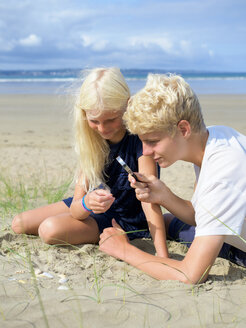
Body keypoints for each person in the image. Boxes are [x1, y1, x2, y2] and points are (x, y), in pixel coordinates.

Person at [99, 73, 246, 284]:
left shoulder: (225, 170)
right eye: (143, 142)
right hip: (235, 231)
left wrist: (124, 250)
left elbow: (190, 275)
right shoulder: (214, 138)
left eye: (153, 141)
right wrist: (164, 196)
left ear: (183, 129)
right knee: (168, 223)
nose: (146, 152)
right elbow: (202, 216)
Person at [11, 67, 168, 257]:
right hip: (95, 207)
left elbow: (149, 200)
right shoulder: (91, 141)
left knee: (49, 229)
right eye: (95, 121)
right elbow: (78, 209)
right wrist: (86, 202)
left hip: (126, 219)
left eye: (111, 119)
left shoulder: (141, 139)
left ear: (127, 105)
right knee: (19, 223)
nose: (102, 129)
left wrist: (162, 255)